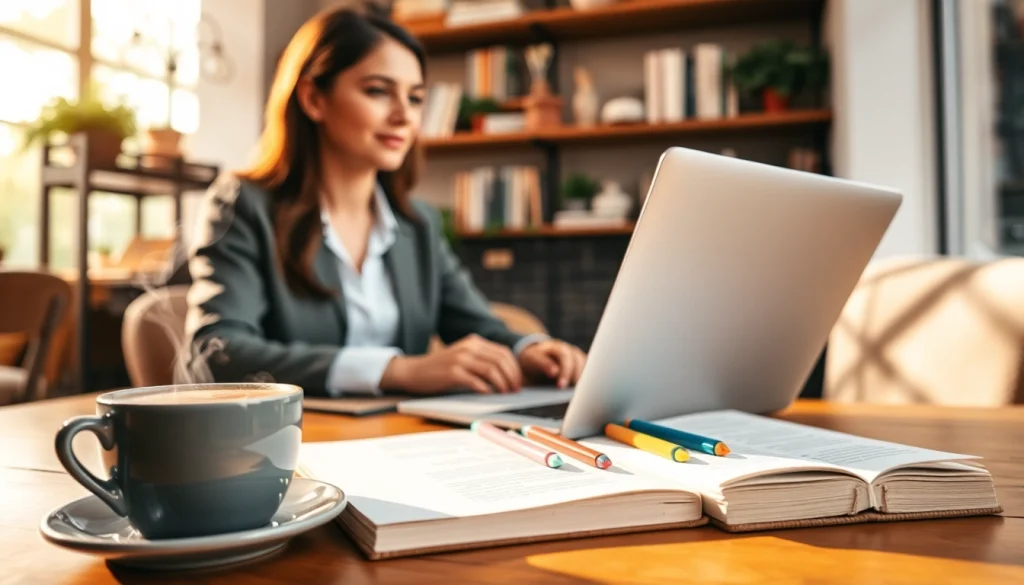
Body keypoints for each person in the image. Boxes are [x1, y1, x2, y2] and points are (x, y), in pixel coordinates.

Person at [183, 6, 587, 398]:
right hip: (290, 446)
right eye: (378, 91)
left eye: (414, 98)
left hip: (401, 442)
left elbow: (477, 323)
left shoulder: (418, 224)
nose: (404, 116)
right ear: (313, 99)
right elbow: (217, 353)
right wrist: (398, 370)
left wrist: (529, 349)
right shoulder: (244, 204)